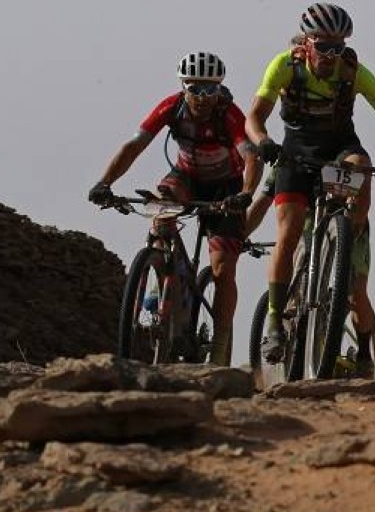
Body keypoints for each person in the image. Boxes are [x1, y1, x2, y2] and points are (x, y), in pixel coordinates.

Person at [246, 2, 375, 376]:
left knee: (361, 166)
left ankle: (348, 235)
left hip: (341, 147)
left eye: (337, 47)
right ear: (306, 43)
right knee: (288, 234)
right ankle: (276, 321)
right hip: (296, 152)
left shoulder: (354, 72)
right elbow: (254, 116)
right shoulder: (284, 66)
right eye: (323, 46)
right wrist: (262, 142)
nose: (330, 55)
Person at [88, 51, 259, 366]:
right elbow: (134, 145)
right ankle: (159, 268)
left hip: (227, 188)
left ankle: (220, 345)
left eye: (211, 89)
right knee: (161, 204)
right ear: (183, 87)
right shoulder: (171, 107)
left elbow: (251, 156)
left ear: (220, 89)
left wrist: (246, 193)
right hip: (186, 178)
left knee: (223, 269)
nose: (203, 97)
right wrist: (104, 183)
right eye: (195, 88)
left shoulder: (229, 114)